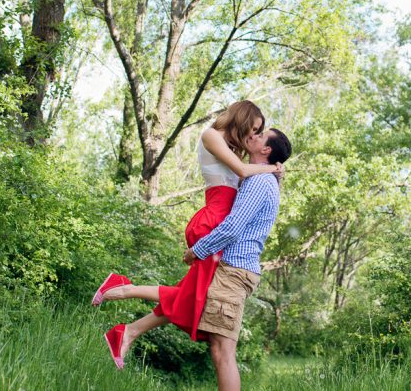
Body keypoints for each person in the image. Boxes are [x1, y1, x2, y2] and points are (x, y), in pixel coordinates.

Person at [92, 100, 282, 362]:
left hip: (221, 223)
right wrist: (273, 167)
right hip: (214, 221)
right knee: (190, 297)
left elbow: (243, 181)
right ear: (243, 117)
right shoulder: (212, 135)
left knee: (190, 297)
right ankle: (123, 298)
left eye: (259, 132)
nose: (253, 135)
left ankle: (126, 328)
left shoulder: (232, 149)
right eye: (254, 128)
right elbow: (240, 172)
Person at [182, 126, 292, 391]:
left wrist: (197, 251)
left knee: (223, 353)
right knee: (219, 350)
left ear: (267, 152)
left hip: (234, 271)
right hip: (236, 270)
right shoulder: (261, 178)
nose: (254, 136)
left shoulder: (259, 182)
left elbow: (232, 227)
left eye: (261, 136)